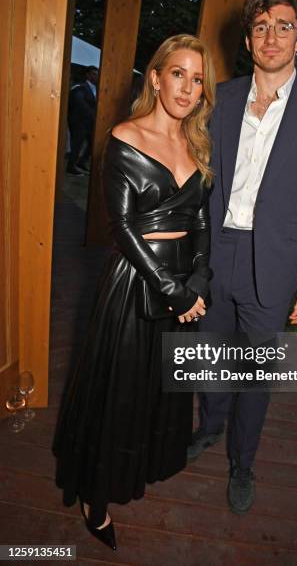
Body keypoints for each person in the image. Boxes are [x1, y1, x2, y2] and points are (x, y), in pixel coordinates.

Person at [53, 34, 215, 550]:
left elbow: (202, 221)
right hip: (135, 285)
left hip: (184, 288)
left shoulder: (197, 143)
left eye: (197, 80)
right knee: (117, 394)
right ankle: (93, 498)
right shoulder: (125, 136)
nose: (187, 89)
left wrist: (200, 281)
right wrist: (173, 290)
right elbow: (121, 227)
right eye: (178, 74)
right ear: (155, 76)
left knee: (157, 391)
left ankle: (137, 466)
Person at [188, 0, 297, 514]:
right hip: (214, 255)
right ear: (248, 40)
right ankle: (208, 426)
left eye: (283, 26)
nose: (271, 36)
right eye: (260, 27)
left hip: (273, 265)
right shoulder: (223, 97)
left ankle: (243, 461)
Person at [67, 65, 98, 175]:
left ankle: (81, 162)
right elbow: (80, 104)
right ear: (88, 75)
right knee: (77, 144)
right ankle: (70, 167)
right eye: (94, 74)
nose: (96, 77)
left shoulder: (96, 88)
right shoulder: (80, 87)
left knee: (92, 144)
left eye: (97, 74)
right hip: (78, 122)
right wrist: (95, 115)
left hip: (89, 123)